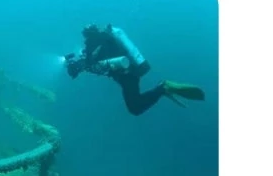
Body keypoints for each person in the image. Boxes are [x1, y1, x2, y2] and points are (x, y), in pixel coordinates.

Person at [62, 23, 205, 116]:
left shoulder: (93, 43)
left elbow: (92, 65)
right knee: (135, 105)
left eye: (85, 36)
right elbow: (95, 61)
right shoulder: (106, 37)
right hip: (132, 69)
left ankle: (163, 88)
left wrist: (75, 67)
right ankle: (162, 89)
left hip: (127, 74)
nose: (85, 40)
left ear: (88, 34)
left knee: (135, 107)